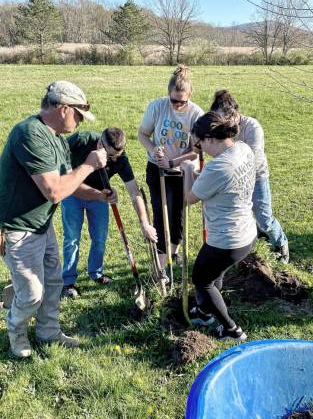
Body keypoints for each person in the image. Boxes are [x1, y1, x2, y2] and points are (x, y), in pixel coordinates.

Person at [0, 80, 112, 358]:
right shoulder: (30, 134)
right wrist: (88, 165)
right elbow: (55, 192)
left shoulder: (57, 140)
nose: (80, 122)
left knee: (53, 283)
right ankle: (16, 331)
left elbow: (67, 182)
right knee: (32, 293)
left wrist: (99, 195)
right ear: (63, 108)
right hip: (18, 229)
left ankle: (48, 332)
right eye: (78, 115)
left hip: (41, 226)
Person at [182, 111, 257, 341]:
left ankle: (231, 330)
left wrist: (187, 171)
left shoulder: (218, 167)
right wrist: (201, 175)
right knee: (215, 274)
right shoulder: (243, 149)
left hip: (226, 240)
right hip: (247, 233)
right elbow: (222, 182)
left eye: (200, 143)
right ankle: (205, 312)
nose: (200, 148)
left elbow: (190, 197)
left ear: (210, 138)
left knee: (202, 280)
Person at [61, 127, 157, 299]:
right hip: (72, 193)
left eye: (116, 156)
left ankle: (96, 273)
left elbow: (135, 193)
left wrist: (145, 223)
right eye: (110, 155)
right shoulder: (82, 140)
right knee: (72, 238)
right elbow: (60, 164)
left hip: (99, 198)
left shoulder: (120, 159)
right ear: (99, 143)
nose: (113, 160)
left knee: (100, 237)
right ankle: (68, 281)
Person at [210, 89, 289, 263]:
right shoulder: (222, 130)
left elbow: (251, 159)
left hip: (257, 176)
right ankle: (256, 242)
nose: (222, 124)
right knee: (242, 216)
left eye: (224, 119)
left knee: (264, 216)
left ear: (235, 114)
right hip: (234, 180)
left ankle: (281, 243)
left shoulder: (252, 127)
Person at [138, 64, 203, 269]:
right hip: (156, 169)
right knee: (160, 212)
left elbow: (197, 150)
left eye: (182, 102)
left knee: (177, 213)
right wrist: (153, 149)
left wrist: (173, 162)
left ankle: (174, 252)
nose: (177, 105)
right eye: (173, 100)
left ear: (190, 95)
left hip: (182, 170)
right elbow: (143, 134)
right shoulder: (157, 107)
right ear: (168, 94)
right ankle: (161, 262)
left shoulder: (196, 114)